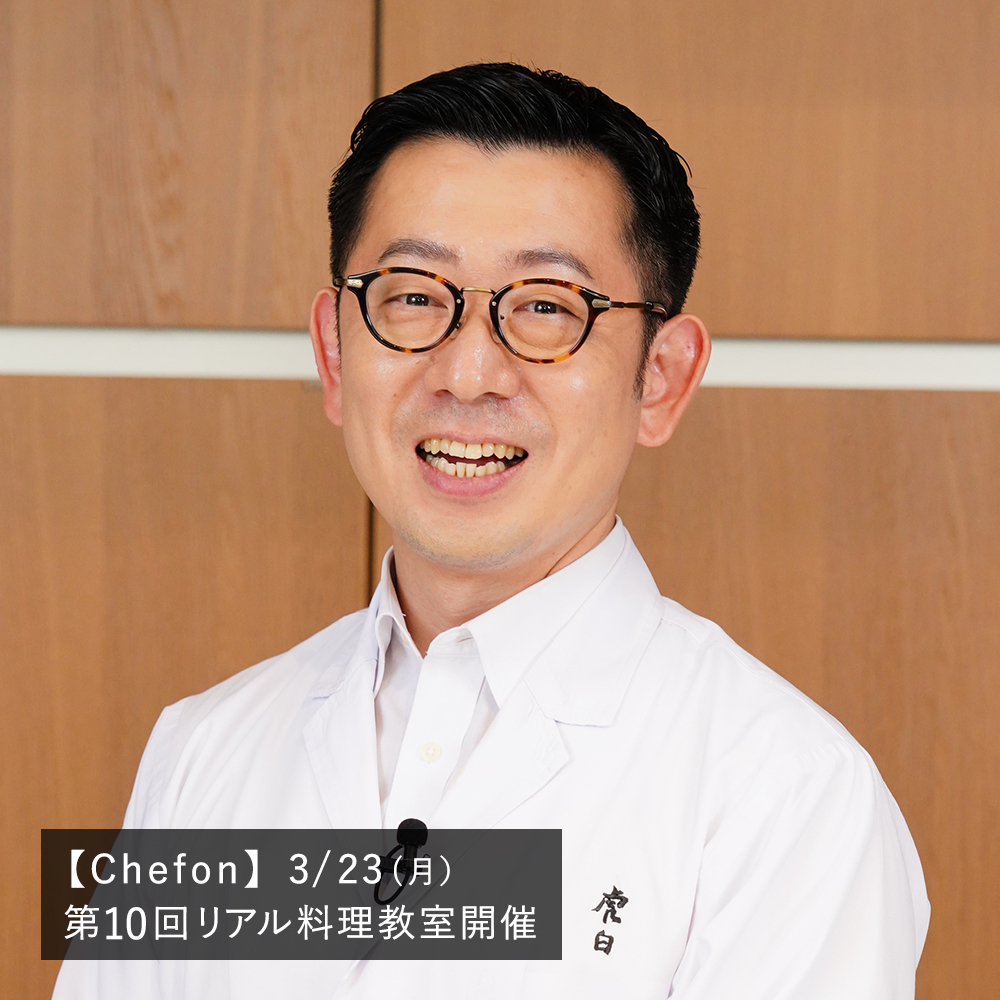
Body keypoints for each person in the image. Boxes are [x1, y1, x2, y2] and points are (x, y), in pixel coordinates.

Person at [53, 62, 929, 999]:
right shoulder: (204, 751)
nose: (469, 374)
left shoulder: (786, 795)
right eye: (413, 297)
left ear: (662, 378)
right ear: (335, 352)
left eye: (547, 307)